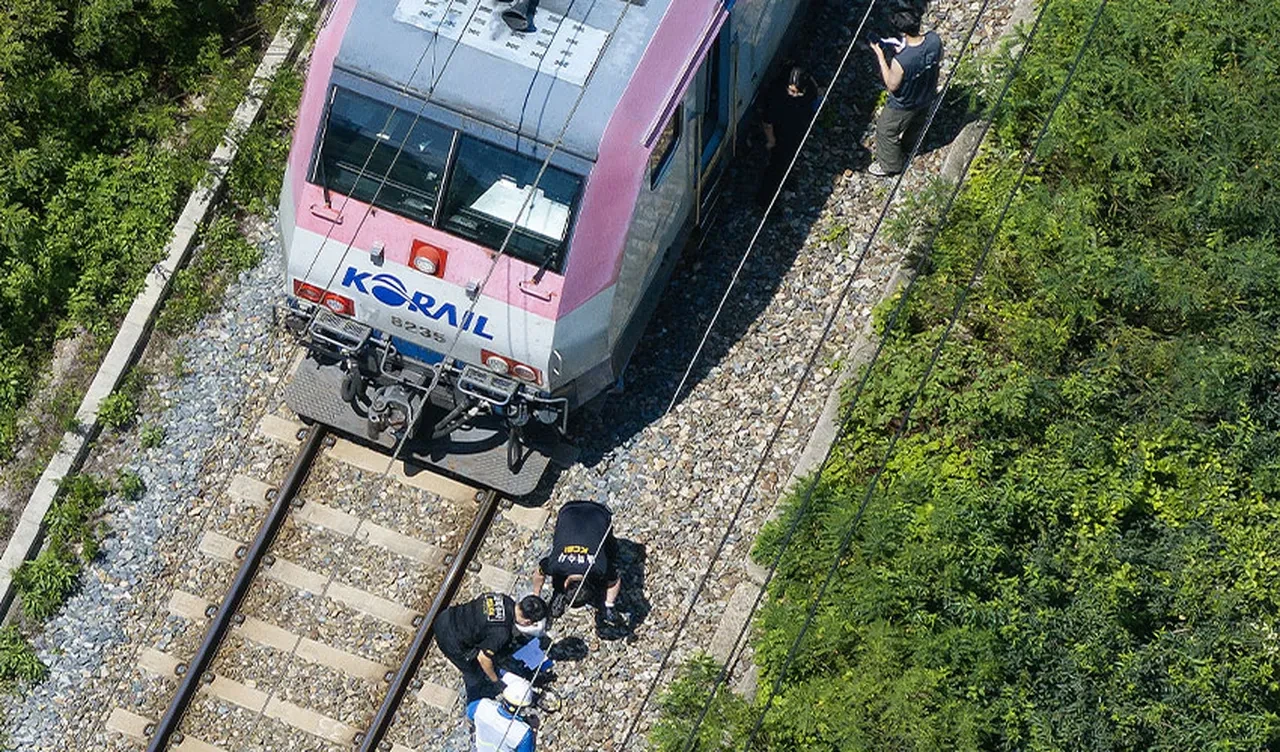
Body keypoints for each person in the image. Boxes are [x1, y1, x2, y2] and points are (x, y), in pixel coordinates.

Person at [868, 6, 943, 176]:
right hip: (927, 94)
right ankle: (911, 147)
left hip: (904, 103)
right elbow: (938, 57)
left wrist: (880, 55)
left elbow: (892, 84)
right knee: (917, 123)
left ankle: (891, 166)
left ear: (901, 32)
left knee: (886, 130)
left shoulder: (901, 61)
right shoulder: (934, 39)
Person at [434, 592, 548, 703]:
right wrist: (496, 682)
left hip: (447, 616)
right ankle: (473, 703)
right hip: (450, 640)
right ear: (527, 622)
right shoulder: (501, 633)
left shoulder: (504, 599)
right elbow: (483, 658)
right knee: (473, 673)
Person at [531, 500, 624, 625]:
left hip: (584, 510)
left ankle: (559, 592)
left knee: (610, 551)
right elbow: (614, 580)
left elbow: (615, 579)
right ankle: (559, 592)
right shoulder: (555, 565)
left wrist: (536, 595)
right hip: (575, 511)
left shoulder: (599, 567)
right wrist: (536, 596)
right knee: (608, 554)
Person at [756, 65, 821, 207]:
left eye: (797, 92)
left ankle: (787, 178)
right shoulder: (777, 96)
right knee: (776, 167)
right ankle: (765, 201)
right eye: (792, 91)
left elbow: (815, 99)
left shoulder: (808, 88)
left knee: (788, 160)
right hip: (781, 134)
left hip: (795, 130)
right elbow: (767, 122)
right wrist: (771, 141)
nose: (794, 95)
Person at [467, 673, 538, 752]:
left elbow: (469, 713)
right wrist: (534, 730)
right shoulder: (523, 733)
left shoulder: (481, 705)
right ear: (524, 707)